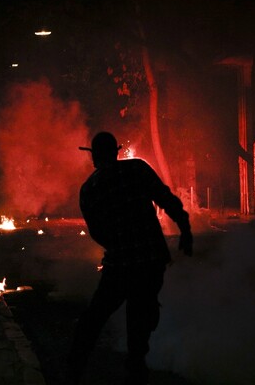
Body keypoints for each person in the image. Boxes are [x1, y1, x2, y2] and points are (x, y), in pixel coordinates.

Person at [67, 131, 193, 384]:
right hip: (150, 261)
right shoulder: (137, 169)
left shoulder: (89, 188)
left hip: (119, 265)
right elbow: (165, 199)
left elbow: (97, 232)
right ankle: (136, 369)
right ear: (115, 152)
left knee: (94, 318)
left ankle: (73, 370)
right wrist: (185, 228)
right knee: (140, 317)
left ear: (94, 158)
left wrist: (118, 244)